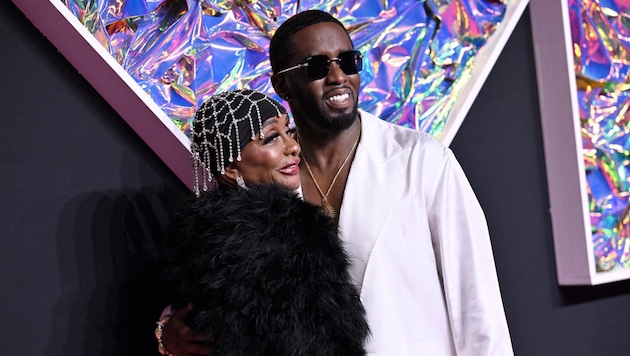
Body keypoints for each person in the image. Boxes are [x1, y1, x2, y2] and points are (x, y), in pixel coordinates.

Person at [162, 9, 513, 355]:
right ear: (281, 83)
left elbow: (476, 299)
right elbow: (222, 276)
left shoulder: (421, 159)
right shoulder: (268, 173)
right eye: (316, 66)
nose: (338, 76)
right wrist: (168, 330)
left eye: (348, 60)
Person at [156, 88, 369, 355]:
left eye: (288, 132)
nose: (293, 147)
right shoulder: (289, 234)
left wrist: (165, 332)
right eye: (270, 139)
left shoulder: (201, 237)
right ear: (231, 166)